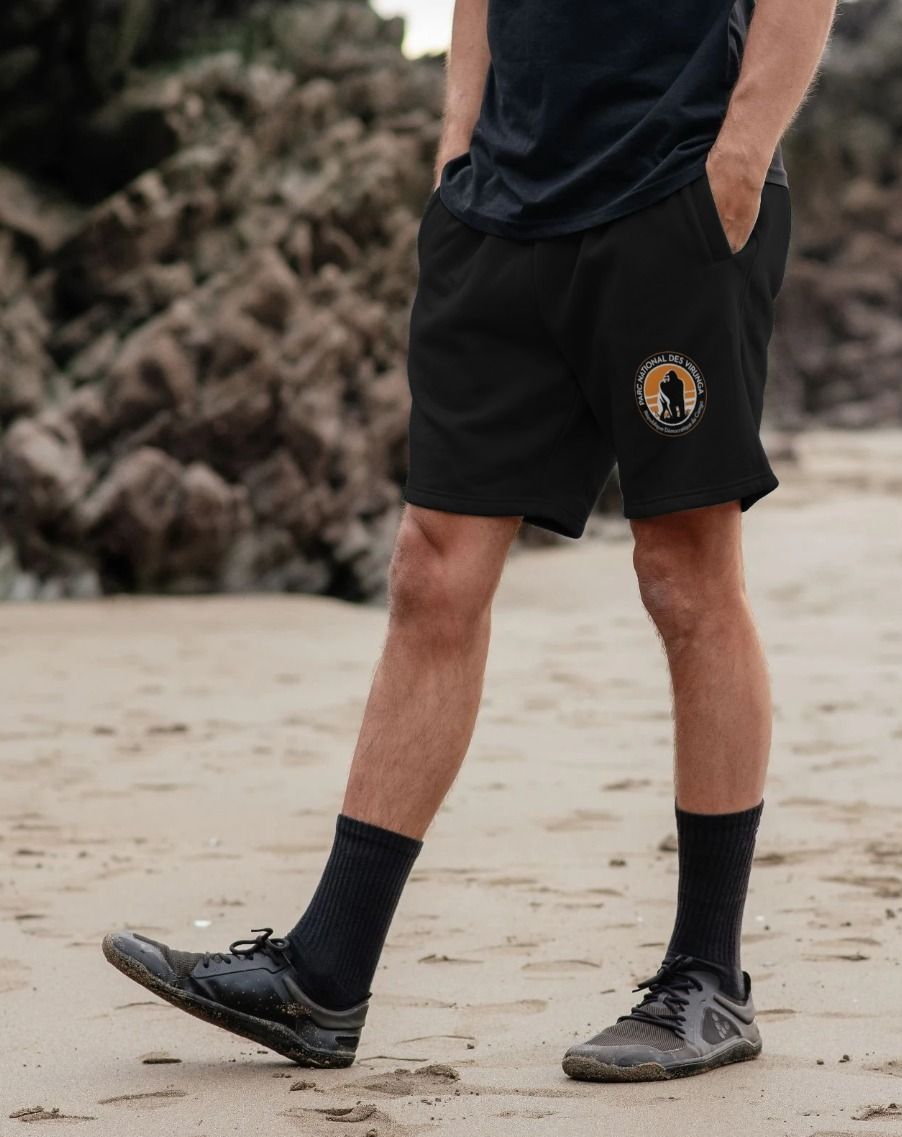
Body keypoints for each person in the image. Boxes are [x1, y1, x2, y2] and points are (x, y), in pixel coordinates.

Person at [103, 0, 838, 1082]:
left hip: (673, 193)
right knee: (429, 571)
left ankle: (708, 980)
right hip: (500, 210)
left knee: (684, 573)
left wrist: (737, 158)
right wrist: (457, 156)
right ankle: (324, 973)